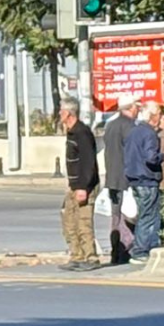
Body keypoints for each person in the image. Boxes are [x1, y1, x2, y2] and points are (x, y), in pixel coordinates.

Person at [59, 97, 100, 271]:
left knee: (83, 222)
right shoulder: (71, 132)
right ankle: (76, 255)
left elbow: (88, 162)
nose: (59, 114)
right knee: (69, 220)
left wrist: (83, 187)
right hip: (74, 186)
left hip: (84, 186)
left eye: (61, 111)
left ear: (68, 113)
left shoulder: (82, 132)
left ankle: (90, 257)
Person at [124, 102, 164, 264]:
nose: (161, 118)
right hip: (147, 178)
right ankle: (142, 250)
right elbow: (150, 157)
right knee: (148, 216)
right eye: (159, 115)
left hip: (135, 178)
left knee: (146, 214)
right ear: (153, 117)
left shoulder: (133, 132)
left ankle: (149, 247)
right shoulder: (149, 134)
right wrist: (161, 157)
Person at [101, 95, 138, 264]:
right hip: (126, 179)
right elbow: (133, 154)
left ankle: (116, 252)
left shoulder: (111, 125)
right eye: (136, 106)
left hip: (113, 178)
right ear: (130, 108)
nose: (138, 109)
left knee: (115, 217)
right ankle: (126, 250)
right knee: (129, 216)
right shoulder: (129, 126)